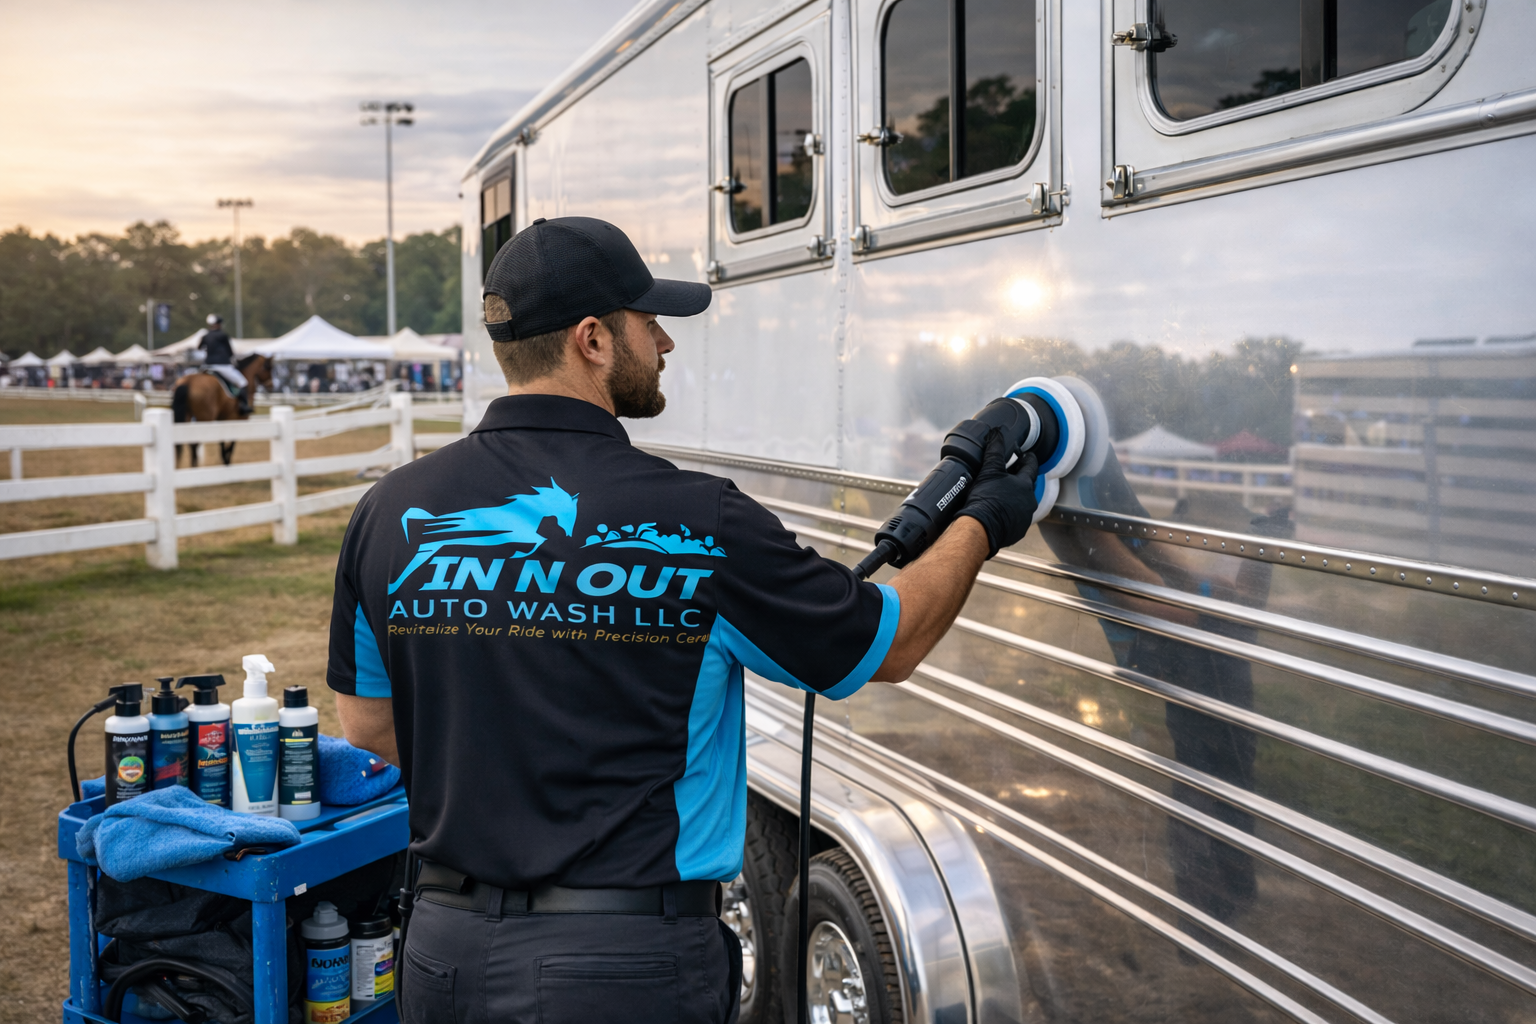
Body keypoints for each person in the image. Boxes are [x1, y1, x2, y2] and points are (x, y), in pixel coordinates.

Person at [326, 216, 1039, 1024]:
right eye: (649, 322)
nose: (665, 343)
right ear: (592, 340)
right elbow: (890, 640)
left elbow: (370, 730)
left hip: (443, 955)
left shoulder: (389, 512)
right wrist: (986, 517)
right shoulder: (694, 520)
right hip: (619, 969)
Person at [197, 314, 249, 413]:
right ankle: (244, 406)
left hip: (207, 365)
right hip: (223, 365)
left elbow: (199, 347)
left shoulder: (205, 336)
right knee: (243, 383)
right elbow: (230, 352)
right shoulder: (223, 335)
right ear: (219, 324)